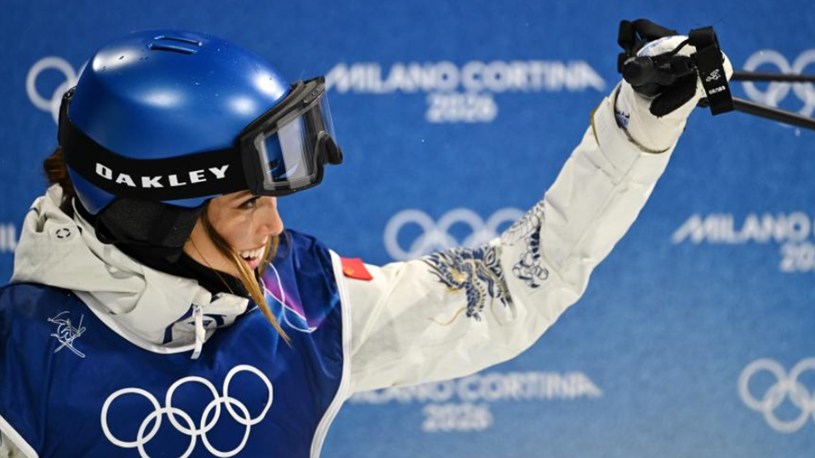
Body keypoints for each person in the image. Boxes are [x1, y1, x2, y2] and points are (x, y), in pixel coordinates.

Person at [0, 28, 730, 458]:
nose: (275, 229)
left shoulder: (302, 298)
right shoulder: (18, 361)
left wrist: (638, 128)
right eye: (248, 203)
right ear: (150, 214)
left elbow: (514, 283)